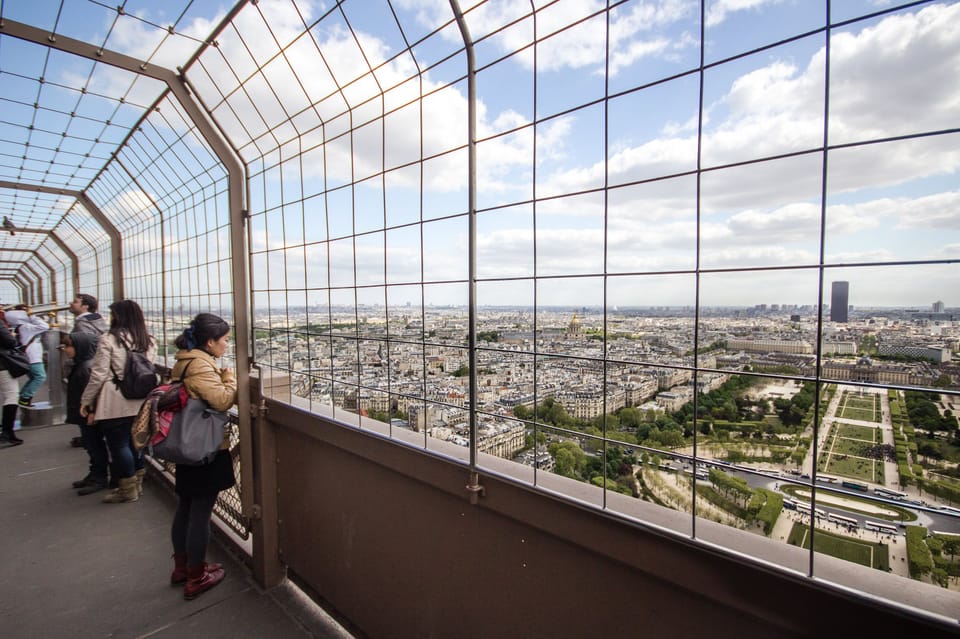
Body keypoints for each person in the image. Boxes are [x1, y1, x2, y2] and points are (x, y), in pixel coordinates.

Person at [168, 313, 236, 600]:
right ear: (210, 342)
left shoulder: (183, 361)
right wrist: (230, 379)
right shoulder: (200, 366)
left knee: (185, 506)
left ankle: (182, 567)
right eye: (224, 340)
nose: (226, 346)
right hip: (204, 447)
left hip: (185, 445)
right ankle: (197, 575)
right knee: (200, 512)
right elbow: (221, 400)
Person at [80, 300, 157, 504]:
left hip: (115, 399)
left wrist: (87, 401)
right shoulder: (147, 340)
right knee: (137, 442)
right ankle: (138, 482)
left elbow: (98, 375)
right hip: (141, 399)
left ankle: (127, 489)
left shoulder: (108, 339)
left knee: (119, 444)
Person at [63, 332, 110, 494]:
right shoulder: (86, 365)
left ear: (80, 347)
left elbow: (91, 393)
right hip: (86, 413)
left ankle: (99, 477)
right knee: (92, 445)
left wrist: (91, 412)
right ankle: (96, 474)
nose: (65, 350)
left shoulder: (85, 368)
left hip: (88, 415)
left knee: (94, 445)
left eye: (69, 346)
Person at [65, 294, 107, 447]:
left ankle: (90, 433)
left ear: (86, 306)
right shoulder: (98, 321)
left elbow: (85, 347)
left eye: (75, 301)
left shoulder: (82, 325)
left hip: (88, 366)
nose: (71, 303)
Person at [5, 305, 49, 408]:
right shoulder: (27, 327)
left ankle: (23, 398)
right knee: (40, 377)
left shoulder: (21, 327)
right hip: (33, 359)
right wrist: (32, 315)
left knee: (33, 378)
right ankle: (24, 398)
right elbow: (45, 326)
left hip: (30, 357)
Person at [0, 310, 24, 447]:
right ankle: (7, 432)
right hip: (2, 365)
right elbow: (10, 342)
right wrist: (13, 336)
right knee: (11, 395)